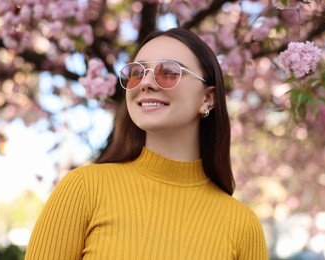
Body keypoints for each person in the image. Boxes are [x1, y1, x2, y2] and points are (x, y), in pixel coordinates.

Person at [25, 27, 268, 259]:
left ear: (207, 98)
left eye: (169, 72)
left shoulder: (242, 226)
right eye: (137, 73)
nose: (146, 83)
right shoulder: (83, 189)